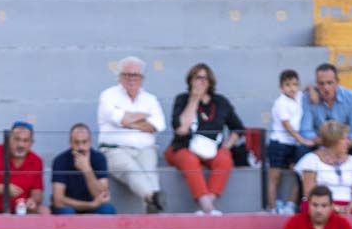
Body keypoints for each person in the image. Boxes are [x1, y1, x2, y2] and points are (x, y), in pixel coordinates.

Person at [164, 63, 244, 216]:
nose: (201, 82)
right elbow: (181, 129)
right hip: (183, 147)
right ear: (191, 80)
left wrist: (226, 146)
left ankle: (208, 204)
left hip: (211, 149)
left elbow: (238, 128)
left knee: (225, 159)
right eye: (198, 78)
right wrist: (194, 99)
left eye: (205, 78)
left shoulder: (220, 102)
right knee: (189, 160)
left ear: (210, 81)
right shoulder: (182, 99)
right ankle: (207, 207)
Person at [97, 56, 167, 213]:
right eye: (127, 75)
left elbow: (159, 124)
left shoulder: (150, 99)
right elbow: (119, 119)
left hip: (145, 149)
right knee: (132, 169)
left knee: (151, 175)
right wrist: (143, 118)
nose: (131, 79)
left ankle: (153, 208)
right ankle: (152, 197)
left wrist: (129, 122)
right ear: (120, 77)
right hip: (115, 149)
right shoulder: (108, 95)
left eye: (135, 75)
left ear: (142, 78)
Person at [268, 69, 315, 214]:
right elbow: (287, 126)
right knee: (275, 177)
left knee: (298, 174)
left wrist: (311, 90)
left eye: (295, 84)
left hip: (293, 145)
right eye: (288, 85)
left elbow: (308, 89)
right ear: (281, 87)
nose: (292, 88)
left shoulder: (299, 97)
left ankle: (290, 204)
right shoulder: (280, 103)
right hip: (279, 143)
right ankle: (273, 206)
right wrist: (302, 140)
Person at [294, 121, 352, 214]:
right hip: (320, 206)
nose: (348, 142)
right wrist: (334, 208)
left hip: (348, 206)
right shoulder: (311, 160)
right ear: (333, 141)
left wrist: (349, 208)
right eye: (344, 139)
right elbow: (308, 193)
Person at [50, 123, 116, 214]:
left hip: (94, 206)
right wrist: (90, 205)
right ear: (70, 143)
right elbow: (58, 200)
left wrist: (87, 169)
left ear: (90, 142)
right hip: (70, 206)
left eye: (84, 142)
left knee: (107, 210)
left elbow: (101, 195)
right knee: (66, 212)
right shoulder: (60, 160)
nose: (80, 147)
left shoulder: (99, 158)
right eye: (76, 142)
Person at [299, 63, 352, 153]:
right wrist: (325, 143)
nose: (326, 88)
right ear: (316, 84)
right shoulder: (308, 98)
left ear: (337, 82)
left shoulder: (351, 97)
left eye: (330, 83)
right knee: (301, 149)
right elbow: (306, 130)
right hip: (320, 142)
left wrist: (343, 144)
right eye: (321, 83)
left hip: (344, 143)